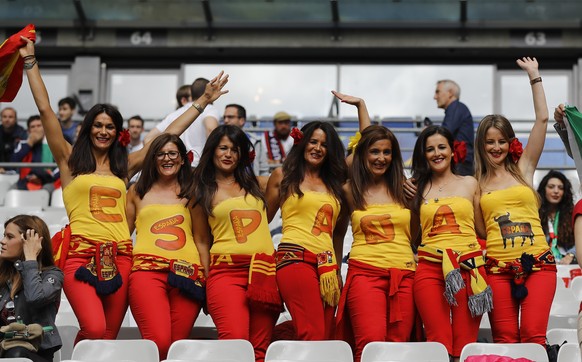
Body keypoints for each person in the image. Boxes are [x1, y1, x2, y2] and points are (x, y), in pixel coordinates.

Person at [18, 36, 228, 342]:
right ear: (89, 127)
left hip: (121, 259)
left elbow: (168, 136)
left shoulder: (123, 167)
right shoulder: (69, 161)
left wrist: (202, 103)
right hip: (80, 256)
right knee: (93, 329)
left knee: (109, 335)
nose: (103, 131)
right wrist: (29, 61)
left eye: (110, 127)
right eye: (98, 125)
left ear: (118, 133)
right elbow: (46, 110)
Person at [475, 57, 555, 346]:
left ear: (509, 143)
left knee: (534, 337)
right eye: (490, 142)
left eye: (501, 141)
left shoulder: (524, 169)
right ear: (481, 145)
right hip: (497, 269)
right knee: (505, 340)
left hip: (539, 266)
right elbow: (482, 231)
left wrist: (534, 76)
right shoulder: (475, 184)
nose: (496, 148)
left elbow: (542, 120)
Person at [331, 92, 416, 362]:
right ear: (363, 154)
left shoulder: (404, 189)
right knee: (369, 347)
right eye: (374, 151)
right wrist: (361, 107)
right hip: (365, 275)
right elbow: (337, 233)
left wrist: (414, 206)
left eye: (387, 152)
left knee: (400, 349)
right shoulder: (350, 189)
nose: (381, 157)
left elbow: (414, 236)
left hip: (404, 276)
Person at [190, 125, 281, 362]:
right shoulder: (200, 190)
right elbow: (200, 240)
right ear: (212, 151)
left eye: (235, 149)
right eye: (223, 148)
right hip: (226, 274)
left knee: (261, 350)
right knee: (235, 344)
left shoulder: (259, 184)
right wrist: (207, 280)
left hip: (263, 272)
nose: (228, 154)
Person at [410, 125, 489, 361]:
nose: (437, 153)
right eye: (430, 149)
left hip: (469, 268)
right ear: (423, 155)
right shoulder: (415, 187)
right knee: (437, 343)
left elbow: (483, 229)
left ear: (453, 151)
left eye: (442, 147)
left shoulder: (470, 183)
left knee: (466, 345)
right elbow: (411, 233)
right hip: (430, 270)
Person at [266, 121, 349, 341]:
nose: (318, 148)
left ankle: (278, 345)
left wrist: (338, 269)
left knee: (326, 335)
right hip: (295, 259)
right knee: (312, 333)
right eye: (313, 141)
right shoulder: (282, 175)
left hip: (328, 267)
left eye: (324, 144)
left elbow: (339, 234)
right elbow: (261, 220)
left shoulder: (338, 184)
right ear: (301, 142)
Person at [126, 134, 204, 360]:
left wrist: (207, 277)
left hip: (187, 276)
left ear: (182, 159)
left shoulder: (193, 191)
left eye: (172, 153)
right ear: (152, 158)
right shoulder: (136, 191)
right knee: (158, 343)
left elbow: (201, 239)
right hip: (147, 273)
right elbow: (122, 236)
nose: (166, 158)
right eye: (160, 154)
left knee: (177, 347)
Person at [0, 215, 63, 362]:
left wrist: (30, 260)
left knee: (15, 354)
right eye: (4, 235)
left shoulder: (52, 275)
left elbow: (36, 298)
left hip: (35, 354)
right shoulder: (2, 273)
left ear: (29, 242)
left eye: (9, 237)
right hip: (3, 347)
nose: (2, 241)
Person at [145, 78, 221, 166]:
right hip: (200, 167)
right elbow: (211, 129)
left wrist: (163, 157)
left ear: (192, 94)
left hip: (178, 167)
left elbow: (147, 139)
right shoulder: (209, 109)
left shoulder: (173, 114)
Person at [433, 80, 474, 176]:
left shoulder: (455, 108)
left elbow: (444, 134)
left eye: (438, 92)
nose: (435, 97)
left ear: (450, 93)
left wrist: (429, 134)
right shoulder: (458, 108)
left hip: (460, 164)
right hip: (461, 163)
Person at [537, 170, 576, 265]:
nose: (556, 191)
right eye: (551, 187)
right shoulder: (535, 213)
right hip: (541, 265)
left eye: (561, 188)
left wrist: (571, 254)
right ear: (544, 190)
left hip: (567, 265)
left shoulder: (572, 213)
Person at [11, 115, 55, 191]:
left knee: (47, 189)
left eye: (39, 126)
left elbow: (57, 169)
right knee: (11, 191)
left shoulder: (53, 145)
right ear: (28, 131)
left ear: (45, 128)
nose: (36, 129)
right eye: (33, 127)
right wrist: (29, 143)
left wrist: (40, 177)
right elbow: (13, 163)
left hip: (47, 181)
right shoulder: (22, 144)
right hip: (24, 181)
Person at [223, 104, 269, 176]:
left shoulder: (255, 141)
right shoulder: (218, 140)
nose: (225, 120)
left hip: (251, 185)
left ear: (242, 120)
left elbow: (264, 170)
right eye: (224, 117)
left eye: (230, 117)